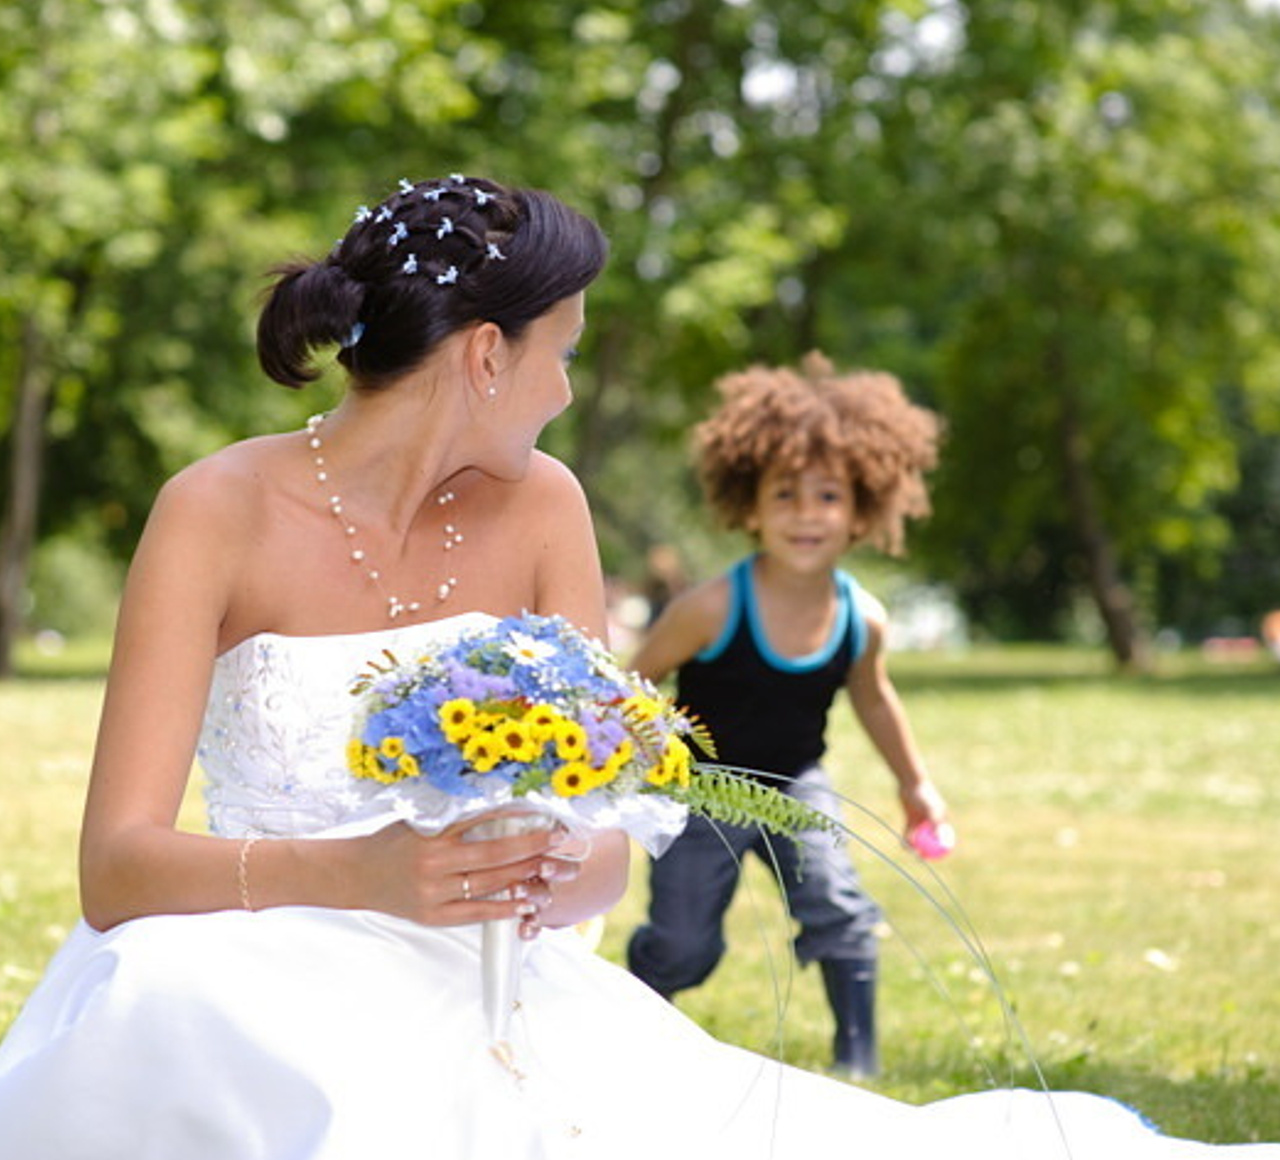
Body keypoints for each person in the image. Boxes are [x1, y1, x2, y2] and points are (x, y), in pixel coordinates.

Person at [0, 174, 1273, 1160]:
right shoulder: (213, 509)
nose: (562, 392)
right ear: (485, 353)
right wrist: (368, 875)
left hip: (495, 981)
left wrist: (560, 864)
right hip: (250, 961)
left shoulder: (545, 504)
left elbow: (609, 837)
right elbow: (115, 869)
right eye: (559, 351)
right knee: (190, 1026)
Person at [626, 355, 946, 1080]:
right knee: (683, 945)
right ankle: (635, 1024)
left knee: (838, 907)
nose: (808, 514)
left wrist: (915, 784)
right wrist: (637, 754)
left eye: (829, 495)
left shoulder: (861, 618)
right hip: (700, 792)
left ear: (863, 507)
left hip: (797, 784)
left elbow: (872, 697)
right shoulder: (708, 607)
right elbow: (633, 682)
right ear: (750, 505)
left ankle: (857, 1057)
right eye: (786, 495)